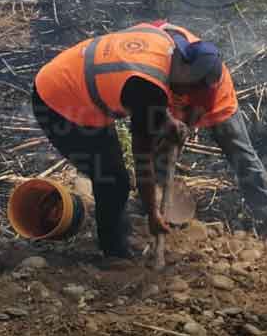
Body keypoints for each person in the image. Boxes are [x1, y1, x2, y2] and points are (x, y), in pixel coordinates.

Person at [31, 21, 203, 258]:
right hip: (57, 103)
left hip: (71, 78)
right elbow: (143, 159)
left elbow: (136, 85)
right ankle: (113, 252)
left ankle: (119, 229)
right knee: (112, 180)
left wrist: (166, 120)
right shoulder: (150, 89)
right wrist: (153, 213)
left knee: (113, 173)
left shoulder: (163, 43)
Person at [146, 20, 267, 239]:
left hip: (219, 105)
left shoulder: (209, 86)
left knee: (240, 154)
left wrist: (179, 132)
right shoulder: (155, 47)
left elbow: (191, 118)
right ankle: (154, 204)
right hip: (170, 98)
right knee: (158, 148)